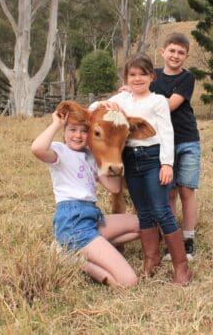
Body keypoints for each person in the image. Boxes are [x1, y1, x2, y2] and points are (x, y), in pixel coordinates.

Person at [94, 54, 191, 285]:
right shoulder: (122, 99)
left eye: (142, 74)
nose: (137, 79)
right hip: (129, 159)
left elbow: (167, 132)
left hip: (152, 158)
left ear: (151, 77)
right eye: (132, 75)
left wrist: (167, 163)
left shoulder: (157, 101)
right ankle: (152, 259)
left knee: (161, 209)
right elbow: (93, 108)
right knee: (143, 211)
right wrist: (104, 104)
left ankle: (181, 266)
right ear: (126, 78)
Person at [31, 108, 140, 287]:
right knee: (128, 281)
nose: (78, 135)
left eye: (84, 130)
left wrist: (111, 151)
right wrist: (55, 124)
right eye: (72, 130)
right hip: (73, 222)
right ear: (64, 132)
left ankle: (80, 250)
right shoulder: (60, 151)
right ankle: (75, 260)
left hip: (92, 218)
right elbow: (37, 148)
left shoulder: (90, 156)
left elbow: (114, 187)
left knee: (141, 225)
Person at [151, 32, 201, 261]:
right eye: (171, 50)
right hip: (163, 142)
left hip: (187, 140)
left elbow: (169, 106)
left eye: (181, 53)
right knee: (169, 192)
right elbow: (136, 87)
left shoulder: (186, 78)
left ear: (186, 57)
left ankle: (188, 241)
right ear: (163, 52)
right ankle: (173, 239)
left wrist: (146, 100)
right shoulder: (152, 76)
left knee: (186, 190)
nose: (175, 55)